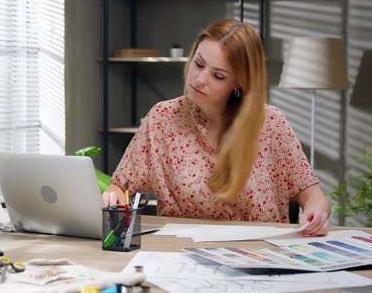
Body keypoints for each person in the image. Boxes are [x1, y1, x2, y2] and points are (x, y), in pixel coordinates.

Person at [102, 19, 330, 236]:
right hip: (179, 257)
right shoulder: (162, 119)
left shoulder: (270, 124)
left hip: (258, 256)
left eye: (218, 76)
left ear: (240, 82)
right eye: (198, 63)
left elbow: (314, 197)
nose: (200, 79)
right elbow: (119, 186)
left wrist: (316, 212)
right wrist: (112, 196)